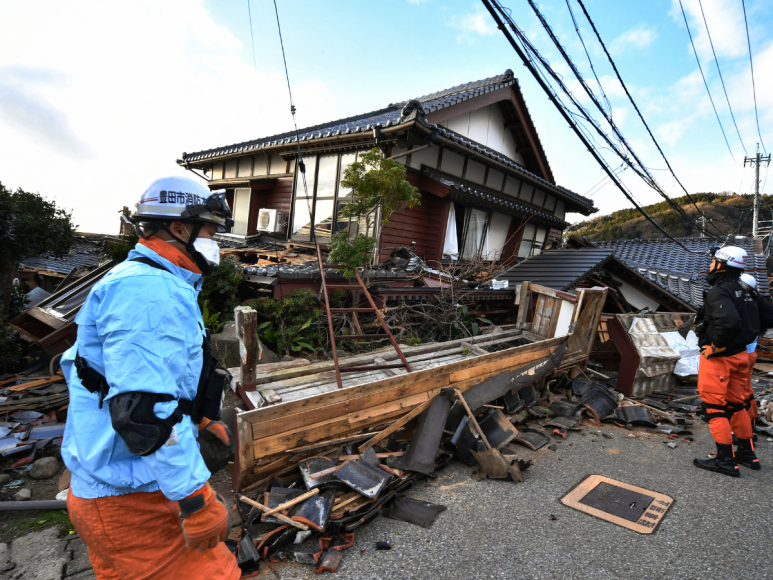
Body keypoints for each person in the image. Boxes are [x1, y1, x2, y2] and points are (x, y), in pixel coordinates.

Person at [60, 176, 240, 580]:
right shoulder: (149, 292)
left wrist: (201, 418)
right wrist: (194, 499)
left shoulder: (143, 280)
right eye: (211, 230)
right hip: (135, 502)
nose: (216, 243)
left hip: (105, 493)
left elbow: (146, 380)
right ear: (179, 228)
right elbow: (147, 412)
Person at [693, 246, 761, 477]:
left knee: (714, 407)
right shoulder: (746, 289)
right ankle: (746, 453)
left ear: (721, 264)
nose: (710, 264)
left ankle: (725, 461)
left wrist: (717, 345)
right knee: (737, 404)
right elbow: (768, 315)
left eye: (713, 260)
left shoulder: (719, 291)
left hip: (720, 359)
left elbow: (728, 321)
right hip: (742, 354)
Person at [737, 272, 773, 459]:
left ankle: (744, 437)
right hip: (750, 353)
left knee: (737, 396)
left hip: (740, 354)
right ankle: (751, 430)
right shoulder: (758, 302)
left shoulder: (746, 303)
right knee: (746, 392)